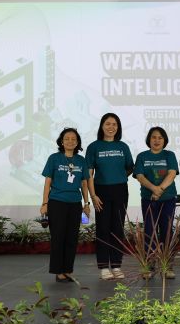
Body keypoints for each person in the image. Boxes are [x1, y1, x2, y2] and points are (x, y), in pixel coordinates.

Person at [86, 113, 134, 280]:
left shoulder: (123, 147)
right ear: (101, 126)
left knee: (118, 228)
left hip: (120, 190)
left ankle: (116, 265)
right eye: (108, 124)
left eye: (114, 124)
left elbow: (129, 167)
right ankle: (103, 267)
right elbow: (89, 174)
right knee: (103, 228)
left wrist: (119, 176)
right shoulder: (94, 147)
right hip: (100, 191)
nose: (111, 127)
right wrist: (93, 195)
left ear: (118, 127)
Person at [40, 128, 91, 283]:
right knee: (58, 237)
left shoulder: (81, 161)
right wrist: (44, 203)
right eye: (67, 138)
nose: (70, 141)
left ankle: (68, 270)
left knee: (71, 238)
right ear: (62, 141)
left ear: (77, 142)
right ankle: (58, 271)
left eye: (73, 139)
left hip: (75, 203)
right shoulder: (54, 158)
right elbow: (48, 182)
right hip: (57, 202)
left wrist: (86, 203)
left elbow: (84, 183)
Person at [133, 126, 179, 279]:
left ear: (164, 140)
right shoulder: (142, 156)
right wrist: (154, 189)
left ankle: (167, 266)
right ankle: (150, 266)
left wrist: (160, 190)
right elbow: (139, 176)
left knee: (167, 231)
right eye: (154, 137)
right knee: (149, 232)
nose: (157, 140)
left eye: (160, 137)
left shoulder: (169, 155)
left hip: (168, 199)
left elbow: (172, 173)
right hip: (148, 199)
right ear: (149, 140)